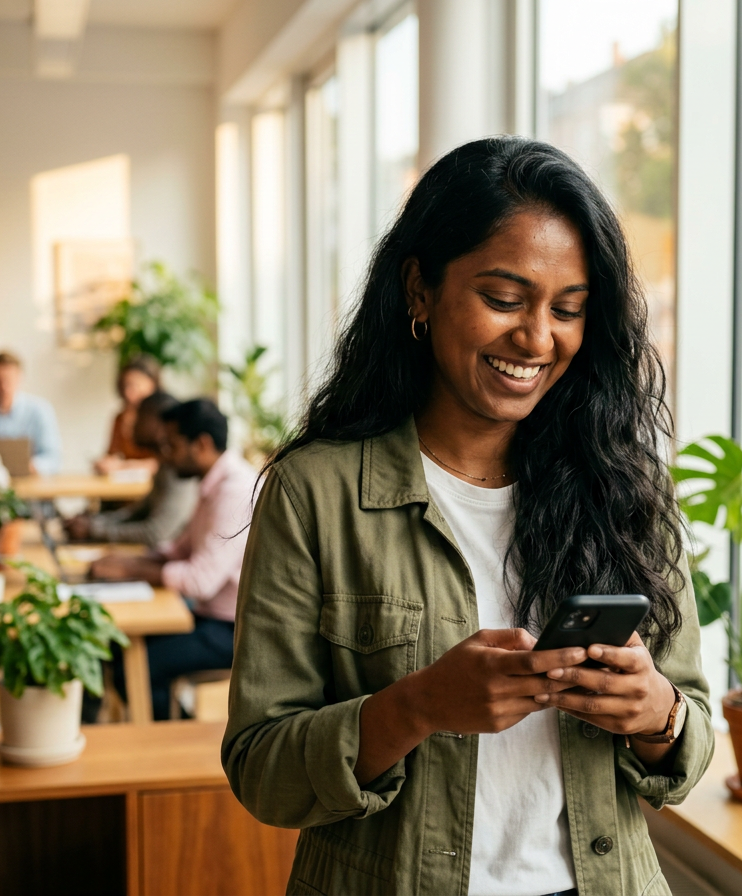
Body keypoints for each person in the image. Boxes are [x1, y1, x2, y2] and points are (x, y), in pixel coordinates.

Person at [222, 137, 713, 896]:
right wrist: (418, 706)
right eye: (504, 299)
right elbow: (263, 770)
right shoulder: (314, 492)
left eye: (568, 309)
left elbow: (691, 731)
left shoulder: (623, 487)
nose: (537, 338)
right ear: (420, 291)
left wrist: (657, 714)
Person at [89, 399, 257, 720]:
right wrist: (129, 562)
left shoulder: (234, 491)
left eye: (172, 445)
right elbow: (181, 549)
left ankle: (171, 740)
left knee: (138, 667)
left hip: (236, 630)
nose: (165, 455)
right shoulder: (213, 483)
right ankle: (163, 725)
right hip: (211, 616)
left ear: (201, 444)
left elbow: (200, 581)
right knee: (116, 644)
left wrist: (133, 568)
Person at [65, 391, 198, 547]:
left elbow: (156, 533)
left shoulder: (179, 470)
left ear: (160, 425)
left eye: (139, 416)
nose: (131, 423)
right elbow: (138, 513)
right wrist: (93, 522)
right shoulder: (164, 465)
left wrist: (94, 530)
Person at [0, 352, 62, 475]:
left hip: (29, 483)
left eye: (9, 380)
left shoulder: (40, 411)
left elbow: (53, 457)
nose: (4, 387)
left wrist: (31, 466)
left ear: (20, 377)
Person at [95, 356, 161, 475]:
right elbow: (111, 454)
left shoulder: (163, 418)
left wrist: (123, 466)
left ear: (152, 384)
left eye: (137, 385)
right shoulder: (121, 418)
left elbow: (161, 464)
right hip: (126, 483)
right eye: (127, 385)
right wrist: (105, 463)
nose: (130, 392)